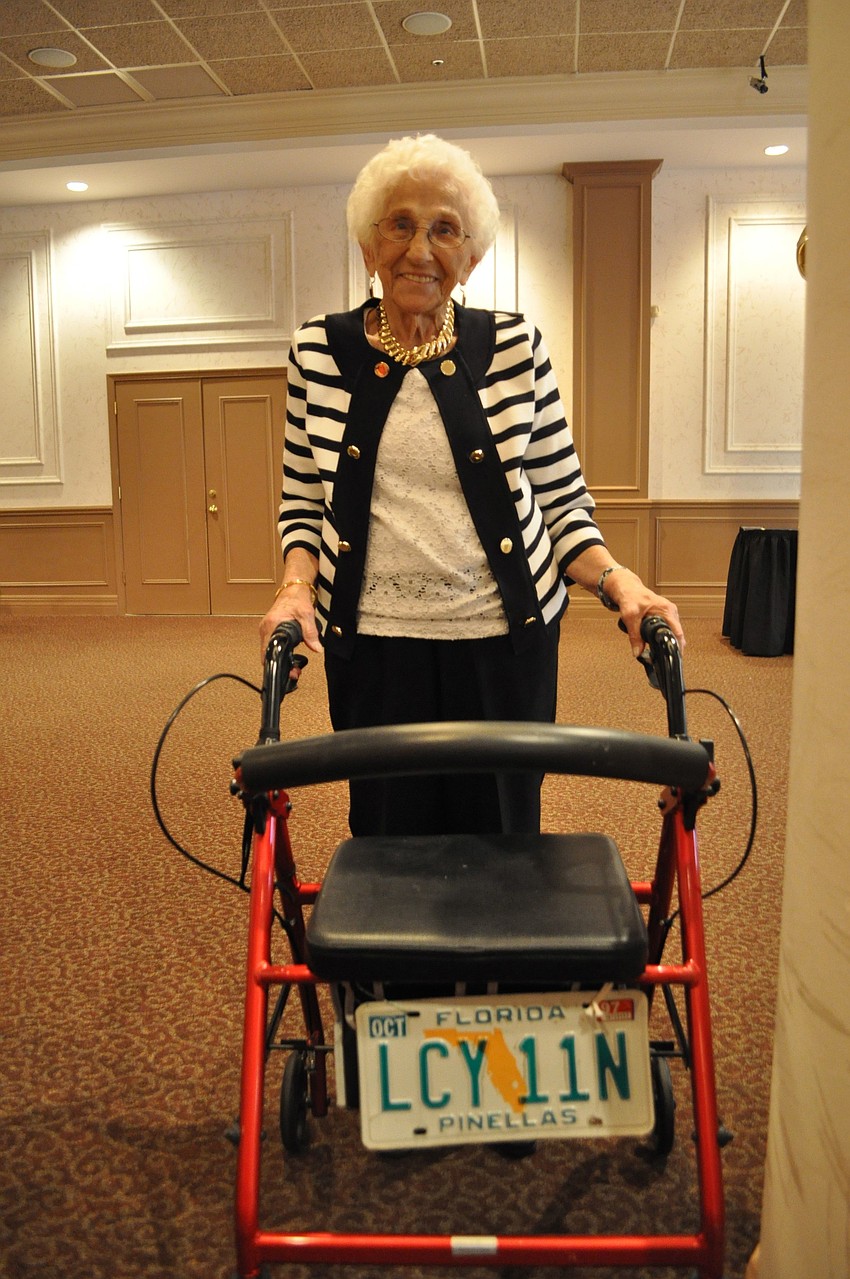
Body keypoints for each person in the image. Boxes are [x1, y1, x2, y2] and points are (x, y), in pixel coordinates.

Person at [259, 133, 683, 838]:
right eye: (400, 224)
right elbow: (305, 502)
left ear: (472, 256)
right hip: (374, 647)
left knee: (504, 832)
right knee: (390, 832)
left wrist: (623, 584)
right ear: (368, 246)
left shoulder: (517, 347)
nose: (420, 249)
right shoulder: (317, 352)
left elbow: (560, 500)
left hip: (502, 642)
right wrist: (293, 587)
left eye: (445, 229)